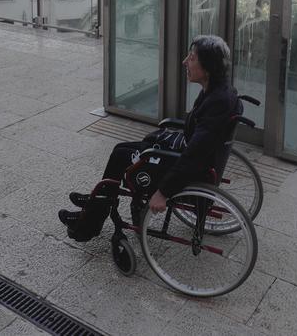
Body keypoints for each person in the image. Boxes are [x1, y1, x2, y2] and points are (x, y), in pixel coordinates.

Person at [59, 35, 239, 241]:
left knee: (120, 157)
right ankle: (98, 201)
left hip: (185, 166)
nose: (184, 62)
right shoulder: (220, 91)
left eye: (191, 58)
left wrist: (163, 192)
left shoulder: (217, 102)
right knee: (124, 148)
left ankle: (89, 222)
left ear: (207, 67)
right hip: (185, 154)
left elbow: (194, 155)